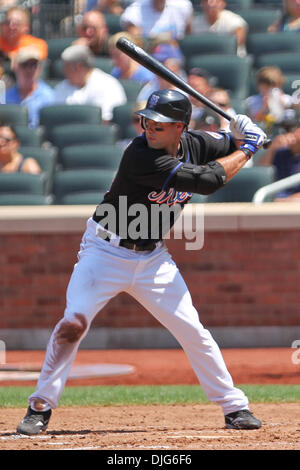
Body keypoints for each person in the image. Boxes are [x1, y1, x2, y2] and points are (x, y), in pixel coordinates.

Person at [16, 89, 265, 435]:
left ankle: (234, 407)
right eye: (147, 120)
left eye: (159, 124)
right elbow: (207, 181)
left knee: (193, 330)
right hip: (103, 252)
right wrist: (249, 147)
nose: (149, 127)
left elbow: (224, 144)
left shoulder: (195, 143)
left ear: (180, 127)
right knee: (74, 322)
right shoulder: (140, 155)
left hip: (153, 258)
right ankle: (39, 407)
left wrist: (239, 132)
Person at [54, 44, 127, 123]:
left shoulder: (107, 85)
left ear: (79, 67)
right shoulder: (62, 87)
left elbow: (106, 121)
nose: (63, 71)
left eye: (66, 67)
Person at [5, 46, 55, 128]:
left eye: (34, 65)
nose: (29, 69)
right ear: (14, 67)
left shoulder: (50, 97)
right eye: (24, 65)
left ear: (40, 69)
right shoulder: (4, 98)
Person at [120, 0, 194, 46]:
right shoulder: (135, 10)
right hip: (149, 58)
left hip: (175, 58)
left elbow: (188, 34)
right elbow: (136, 44)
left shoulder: (183, 6)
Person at [258, 125, 300, 201]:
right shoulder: (281, 153)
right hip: (270, 197)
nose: (294, 136)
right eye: (294, 133)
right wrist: (272, 148)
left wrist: (286, 200)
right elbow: (260, 171)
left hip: (292, 203)